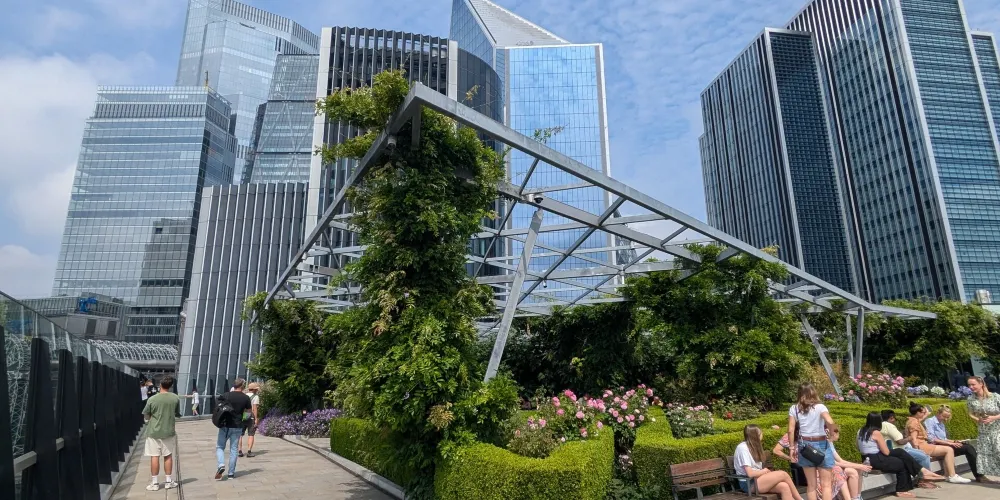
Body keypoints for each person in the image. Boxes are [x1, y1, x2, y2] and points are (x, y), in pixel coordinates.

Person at [788, 383, 836, 500]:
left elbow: (790, 430)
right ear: (813, 392)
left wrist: (791, 448)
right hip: (821, 444)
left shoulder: (794, 408)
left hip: (805, 446)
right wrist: (834, 433)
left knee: (811, 485)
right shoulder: (820, 407)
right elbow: (830, 421)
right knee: (826, 485)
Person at [925, 403, 995, 484]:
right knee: (968, 448)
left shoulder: (941, 423)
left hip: (944, 444)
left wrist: (955, 441)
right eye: (944, 416)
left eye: (947, 417)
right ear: (938, 413)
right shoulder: (930, 421)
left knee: (968, 446)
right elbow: (931, 438)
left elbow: (944, 439)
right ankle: (979, 476)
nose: (946, 419)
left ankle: (980, 475)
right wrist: (951, 444)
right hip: (936, 446)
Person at [857, 412, 920, 498]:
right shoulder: (876, 432)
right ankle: (902, 490)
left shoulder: (860, 431)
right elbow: (886, 452)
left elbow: (859, 446)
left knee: (900, 452)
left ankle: (920, 471)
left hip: (866, 458)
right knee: (902, 463)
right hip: (876, 459)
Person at [905, 402, 971, 483]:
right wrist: (918, 452)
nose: (924, 414)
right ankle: (952, 475)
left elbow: (919, 422)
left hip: (923, 445)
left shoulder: (913, 420)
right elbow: (914, 439)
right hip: (922, 446)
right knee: (949, 450)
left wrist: (926, 414)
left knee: (947, 450)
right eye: (923, 412)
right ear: (918, 413)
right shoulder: (914, 422)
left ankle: (948, 475)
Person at [734, 425, 803, 500]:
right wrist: (764, 471)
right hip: (749, 483)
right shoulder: (743, 448)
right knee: (783, 474)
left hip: (758, 480)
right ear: (755, 436)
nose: (762, 434)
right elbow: (750, 473)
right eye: (760, 433)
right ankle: (799, 499)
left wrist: (764, 472)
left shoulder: (753, 446)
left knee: (784, 486)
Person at [879, 409, 945, 487]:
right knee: (923, 457)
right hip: (899, 450)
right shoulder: (889, 425)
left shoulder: (882, 425)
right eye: (894, 418)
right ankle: (923, 480)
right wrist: (910, 438)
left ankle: (923, 477)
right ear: (891, 418)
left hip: (899, 449)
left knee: (923, 453)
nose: (895, 421)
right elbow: (900, 442)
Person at [142, 375, 181, 491]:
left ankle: (155, 483)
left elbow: (146, 414)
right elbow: (177, 413)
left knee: (154, 456)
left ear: (160, 385)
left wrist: (148, 420)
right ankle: (168, 481)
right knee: (168, 456)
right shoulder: (175, 398)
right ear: (171, 386)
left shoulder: (152, 399)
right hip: (168, 431)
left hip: (153, 431)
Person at [215, 378, 252, 480]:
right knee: (234, 449)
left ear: (234, 385)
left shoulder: (226, 395)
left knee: (220, 447)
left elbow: (217, 406)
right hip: (237, 425)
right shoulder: (245, 398)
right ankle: (231, 473)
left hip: (225, 425)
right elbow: (249, 412)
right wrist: (243, 419)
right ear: (243, 386)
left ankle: (221, 464)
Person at [968, 375, 1000, 477]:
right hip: (983, 432)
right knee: (990, 455)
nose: (971, 387)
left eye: (973, 384)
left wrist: (994, 418)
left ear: (981, 384)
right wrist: (978, 419)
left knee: (999, 450)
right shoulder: (971, 399)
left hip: (997, 429)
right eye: (969, 385)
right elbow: (970, 414)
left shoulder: (995, 397)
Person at [238, 382, 261, 458]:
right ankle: (249, 451)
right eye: (256, 389)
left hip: (243, 416)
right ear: (254, 390)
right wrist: (256, 419)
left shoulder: (243, 396)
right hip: (250, 417)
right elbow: (254, 409)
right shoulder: (255, 397)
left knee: (240, 435)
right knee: (251, 434)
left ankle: (240, 451)